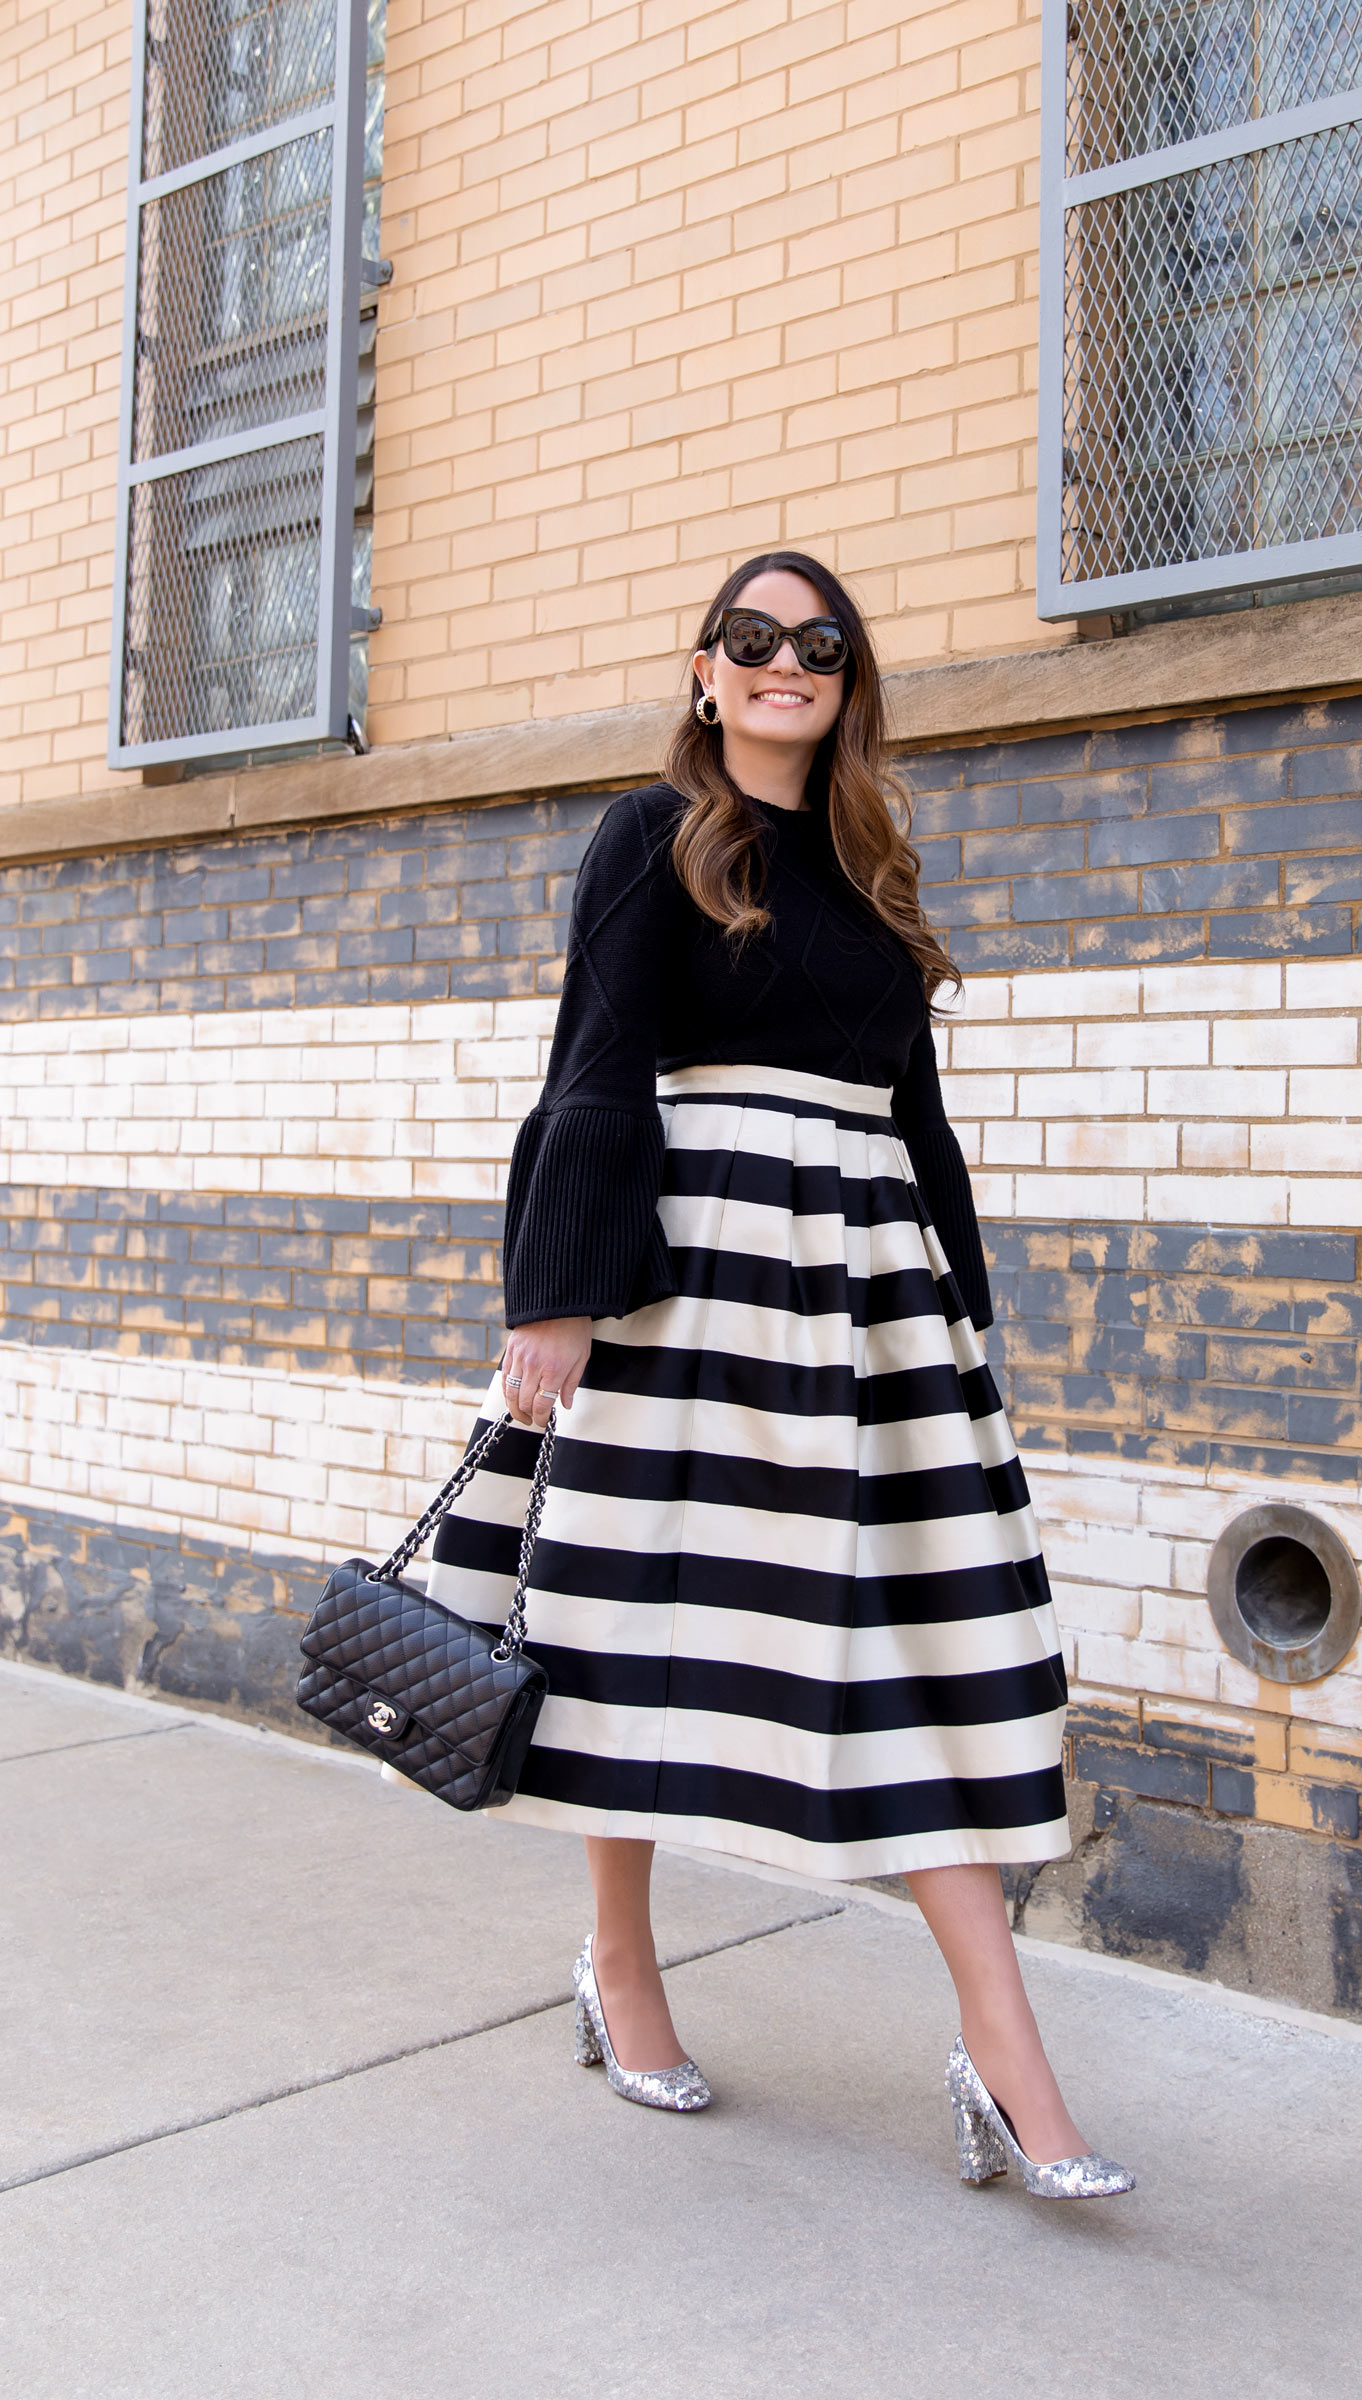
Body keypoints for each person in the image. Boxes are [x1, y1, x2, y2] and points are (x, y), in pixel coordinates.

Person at [425, 551, 1133, 2201]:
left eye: (816, 644)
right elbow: (593, 1066)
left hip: (863, 1299)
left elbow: (918, 1115)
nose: (782, 664)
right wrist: (556, 1299)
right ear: (705, 669)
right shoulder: (648, 836)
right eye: (751, 640)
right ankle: (620, 1960)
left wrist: (958, 1311)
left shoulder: (875, 858)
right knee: (623, 1621)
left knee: (907, 1651)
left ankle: (1006, 2057)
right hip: (687, 1284)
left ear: (847, 678)